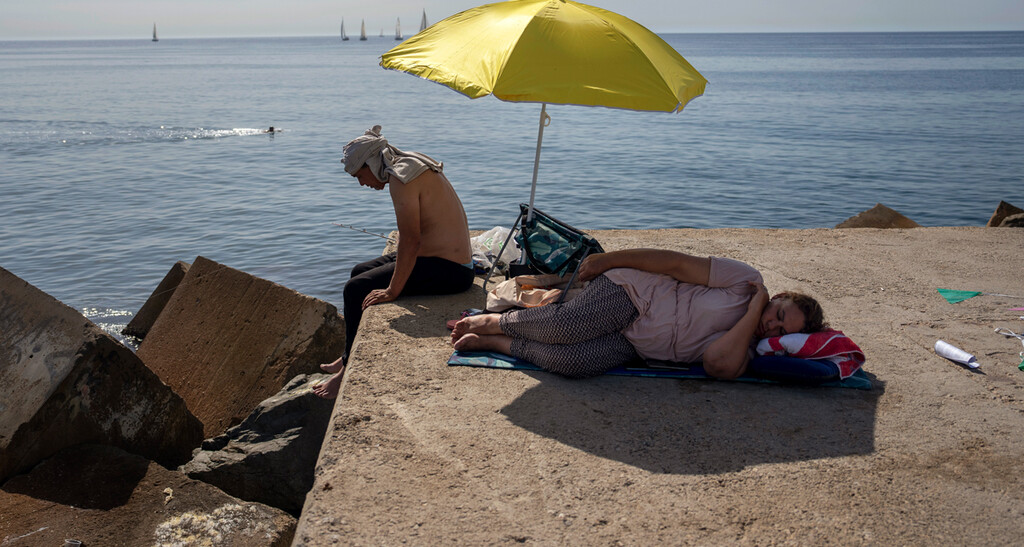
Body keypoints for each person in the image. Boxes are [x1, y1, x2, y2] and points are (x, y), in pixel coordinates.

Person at [450, 248, 827, 379]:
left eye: (779, 329)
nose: (771, 323)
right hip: (638, 295)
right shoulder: (745, 281)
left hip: (637, 344)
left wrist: (755, 313)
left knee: (573, 364)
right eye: (777, 311)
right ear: (777, 296)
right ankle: (496, 321)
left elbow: (716, 365)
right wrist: (609, 260)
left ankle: (500, 343)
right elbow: (676, 264)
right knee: (568, 325)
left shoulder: (748, 348)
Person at [314, 125, 475, 398]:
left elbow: (410, 241)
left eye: (359, 175)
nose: (361, 183)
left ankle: (347, 372)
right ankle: (346, 355)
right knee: (359, 271)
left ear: (371, 162)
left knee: (356, 288)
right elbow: (412, 238)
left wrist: (392, 290)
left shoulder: (402, 178)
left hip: (452, 270)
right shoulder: (408, 162)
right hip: (439, 256)